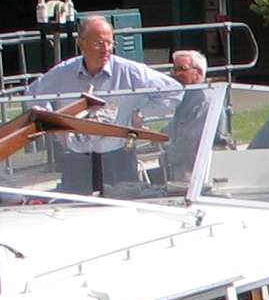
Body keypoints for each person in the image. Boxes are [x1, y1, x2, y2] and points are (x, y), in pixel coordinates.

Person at [29, 14, 174, 193]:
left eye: (110, 43)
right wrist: (55, 124)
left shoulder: (130, 71)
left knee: (123, 210)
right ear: (80, 44)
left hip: (118, 156)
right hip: (77, 157)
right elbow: (33, 95)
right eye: (98, 43)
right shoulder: (63, 73)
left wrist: (142, 112)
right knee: (76, 212)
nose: (106, 49)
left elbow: (174, 90)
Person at [164, 50, 216, 186]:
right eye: (174, 69)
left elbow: (189, 145)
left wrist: (166, 152)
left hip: (196, 177)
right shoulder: (186, 97)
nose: (175, 74)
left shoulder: (204, 101)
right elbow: (170, 129)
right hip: (183, 171)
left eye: (182, 69)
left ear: (198, 73)